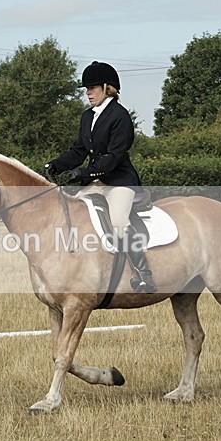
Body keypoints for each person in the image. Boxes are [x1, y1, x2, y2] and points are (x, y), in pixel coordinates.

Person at [44, 61, 157, 293]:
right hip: (96, 183)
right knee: (71, 215)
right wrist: (55, 165)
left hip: (119, 183)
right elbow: (78, 151)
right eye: (86, 89)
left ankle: (143, 273)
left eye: (92, 88)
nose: (87, 93)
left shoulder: (120, 116)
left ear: (107, 88)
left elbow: (114, 156)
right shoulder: (88, 117)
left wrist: (85, 172)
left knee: (118, 221)